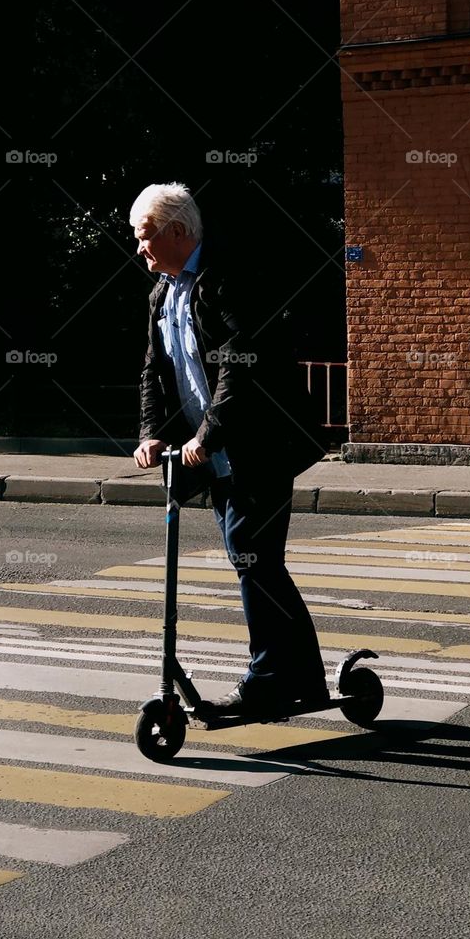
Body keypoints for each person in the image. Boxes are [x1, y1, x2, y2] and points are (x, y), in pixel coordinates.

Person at [130, 181, 330, 716]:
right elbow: (155, 371)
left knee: (253, 557)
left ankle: (268, 679)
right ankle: (306, 679)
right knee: (260, 564)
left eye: (145, 236)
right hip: (214, 455)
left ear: (178, 232)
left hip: (259, 446)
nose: (140, 248)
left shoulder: (227, 278)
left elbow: (241, 362)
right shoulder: (164, 293)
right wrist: (152, 434)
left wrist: (205, 436)